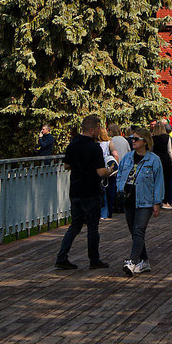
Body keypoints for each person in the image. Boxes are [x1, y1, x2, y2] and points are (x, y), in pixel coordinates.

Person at [56, 114, 115, 270]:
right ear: (91, 130)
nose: (99, 131)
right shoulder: (94, 147)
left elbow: (66, 166)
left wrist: (79, 165)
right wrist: (110, 171)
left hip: (75, 190)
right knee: (92, 227)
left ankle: (62, 256)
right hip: (91, 191)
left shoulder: (73, 144)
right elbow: (100, 172)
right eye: (98, 128)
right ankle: (94, 259)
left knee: (75, 225)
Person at [117, 128, 165, 275]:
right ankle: (144, 261)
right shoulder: (127, 158)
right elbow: (120, 174)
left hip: (145, 200)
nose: (133, 141)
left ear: (145, 141)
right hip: (128, 199)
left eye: (136, 139)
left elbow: (159, 182)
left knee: (139, 229)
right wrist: (119, 188)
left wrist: (157, 202)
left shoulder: (154, 160)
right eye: (132, 138)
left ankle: (132, 261)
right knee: (135, 232)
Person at [151, 121, 172, 209]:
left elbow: (151, 149)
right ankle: (165, 201)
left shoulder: (152, 138)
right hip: (165, 160)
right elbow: (169, 151)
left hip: (155, 160)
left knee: (155, 181)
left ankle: (155, 200)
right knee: (166, 181)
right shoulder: (167, 137)